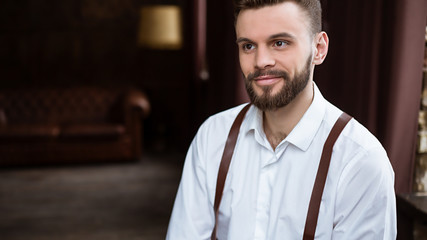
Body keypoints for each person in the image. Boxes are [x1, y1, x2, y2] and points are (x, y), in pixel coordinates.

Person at [166, 0, 397, 239]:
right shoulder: (212, 136)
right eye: (248, 46)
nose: (260, 61)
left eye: (279, 43)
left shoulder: (360, 162)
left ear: (319, 48)